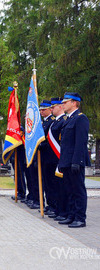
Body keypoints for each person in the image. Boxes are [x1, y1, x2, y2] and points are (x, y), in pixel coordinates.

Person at [58, 92, 90, 228]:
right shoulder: (68, 119)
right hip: (66, 161)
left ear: (74, 103)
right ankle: (71, 215)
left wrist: (77, 161)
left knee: (78, 190)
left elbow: (80, 142)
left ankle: (80, 218)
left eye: (66, 102)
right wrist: (62, 162)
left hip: (75, 162)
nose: (63, 104)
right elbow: (65, 144)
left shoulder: (80, 118)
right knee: (69, 190)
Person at [47, 97, 67, 220]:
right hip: (51, 158)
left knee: (60, 187)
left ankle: (61, 210)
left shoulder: (63, 121)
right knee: (53, 186)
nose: (51, 109)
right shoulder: (54, 122)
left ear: (60, 107)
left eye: (53, 107)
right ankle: (56, 208)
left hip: (58, 158)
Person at [39, 100, 57, 215]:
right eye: (40, 110)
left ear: (50, 109)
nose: (41, 112)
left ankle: (53, 205)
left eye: (43, 109)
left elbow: (49, 140)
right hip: (44, 157)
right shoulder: (43, 122)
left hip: (51, 157)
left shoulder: (52, 122)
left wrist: (40, 145)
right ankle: (49, 204)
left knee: (52, 183)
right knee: (46, 183)